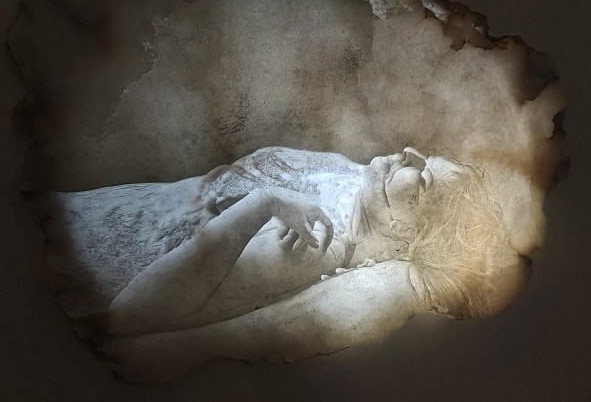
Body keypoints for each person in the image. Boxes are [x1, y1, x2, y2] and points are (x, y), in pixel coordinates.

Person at [32, 146, 528, 382]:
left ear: (408, 232)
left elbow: (130, 315)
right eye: (425, 155)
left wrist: (262, 202)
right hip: (90, 217)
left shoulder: (311, 246)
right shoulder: (355, 181)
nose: (410, 154)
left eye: (422, 179)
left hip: (68, 258)